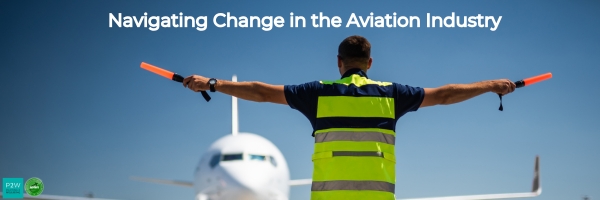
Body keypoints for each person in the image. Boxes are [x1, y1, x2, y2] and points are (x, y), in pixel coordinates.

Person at [182, 35, 516, 200]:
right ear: (370, 63)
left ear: (339, 62)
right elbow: (444, 95)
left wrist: (214, 83)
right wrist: (490, 85)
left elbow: (262, 91)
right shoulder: (390, 94)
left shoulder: (318, 93)